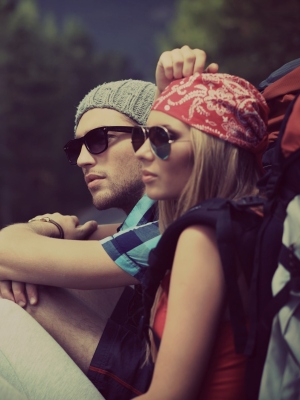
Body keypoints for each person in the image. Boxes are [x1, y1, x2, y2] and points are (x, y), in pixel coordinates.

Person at [0, 46, 218, 398]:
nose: (84, 159)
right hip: (144, 369)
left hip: (147, 381)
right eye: (76, 149)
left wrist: (49, 232)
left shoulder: (175, 228)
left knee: (16, 300)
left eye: (99, 140)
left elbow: (5, 251)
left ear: (152, 138)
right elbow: (19, 254)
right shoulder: (148, 225)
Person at [130, 72, 269, 399]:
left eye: (161, 138)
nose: (142, 153)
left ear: (212, 148)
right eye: (142, 137)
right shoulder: (253, 217)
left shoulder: (202, 238)